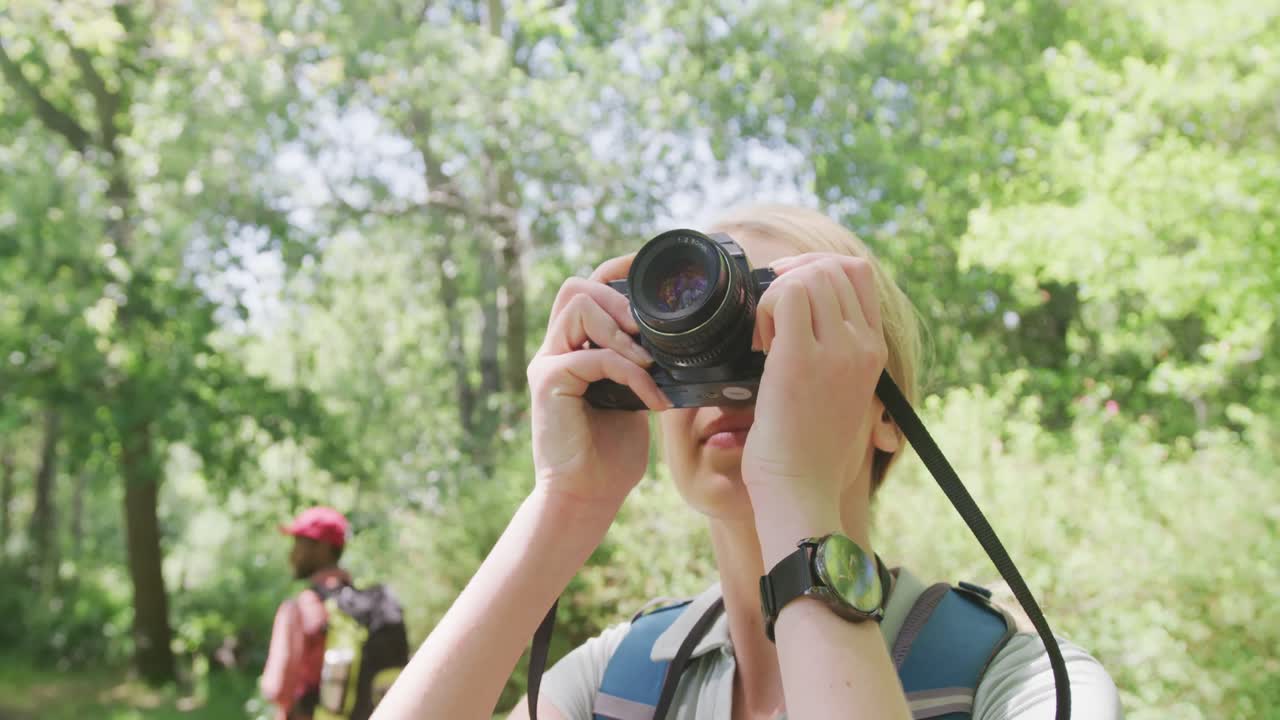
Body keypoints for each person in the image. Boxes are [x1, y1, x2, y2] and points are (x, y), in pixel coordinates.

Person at [372, 204, 1122, 719]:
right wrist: (564, 504)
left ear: (886, 410)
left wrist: (796, 498)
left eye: (790, 336)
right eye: (692, 341)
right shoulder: (620, 680)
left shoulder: (1021, 681)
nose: (735, 372)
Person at [261, 506, 353, 720]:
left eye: (298, 545)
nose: (292, 555)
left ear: (321, 548)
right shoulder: (367, 607)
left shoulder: (299, 609)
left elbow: (277, 689)